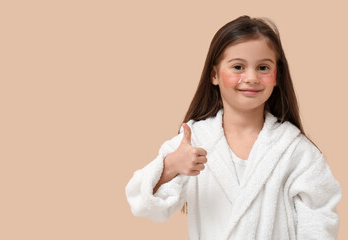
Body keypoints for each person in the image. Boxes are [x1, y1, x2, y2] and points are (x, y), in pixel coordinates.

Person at [125, 15, 342, 239]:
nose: (251, 77)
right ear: (214, 75)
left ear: (277, 76)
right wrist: (171, 166)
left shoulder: (296, 151)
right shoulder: (193, 142)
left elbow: (319, 224)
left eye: (263, 68)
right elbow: (143, 205)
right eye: (238, 66)